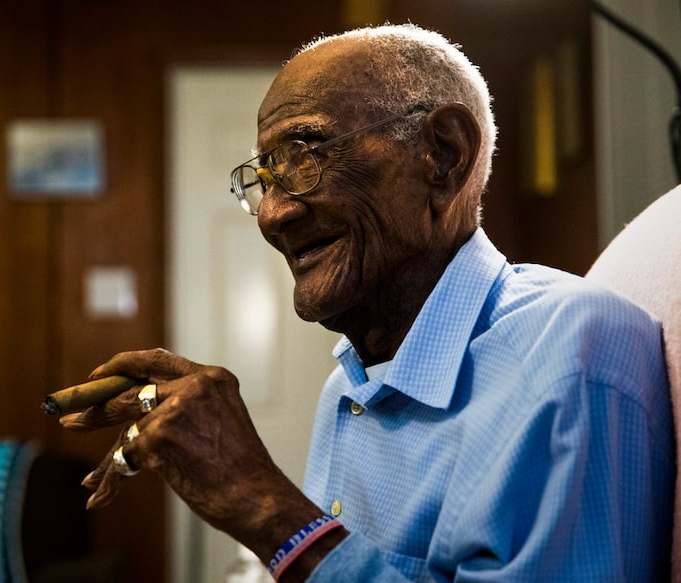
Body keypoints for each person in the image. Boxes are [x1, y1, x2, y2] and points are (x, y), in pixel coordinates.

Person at [58, 23, 674, 581]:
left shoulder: (570, 350)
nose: (273, 215)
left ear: (444, 156)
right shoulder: (348, 390)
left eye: (306, 155)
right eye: (264, 179)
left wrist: (263, 508)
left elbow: (300, 541)